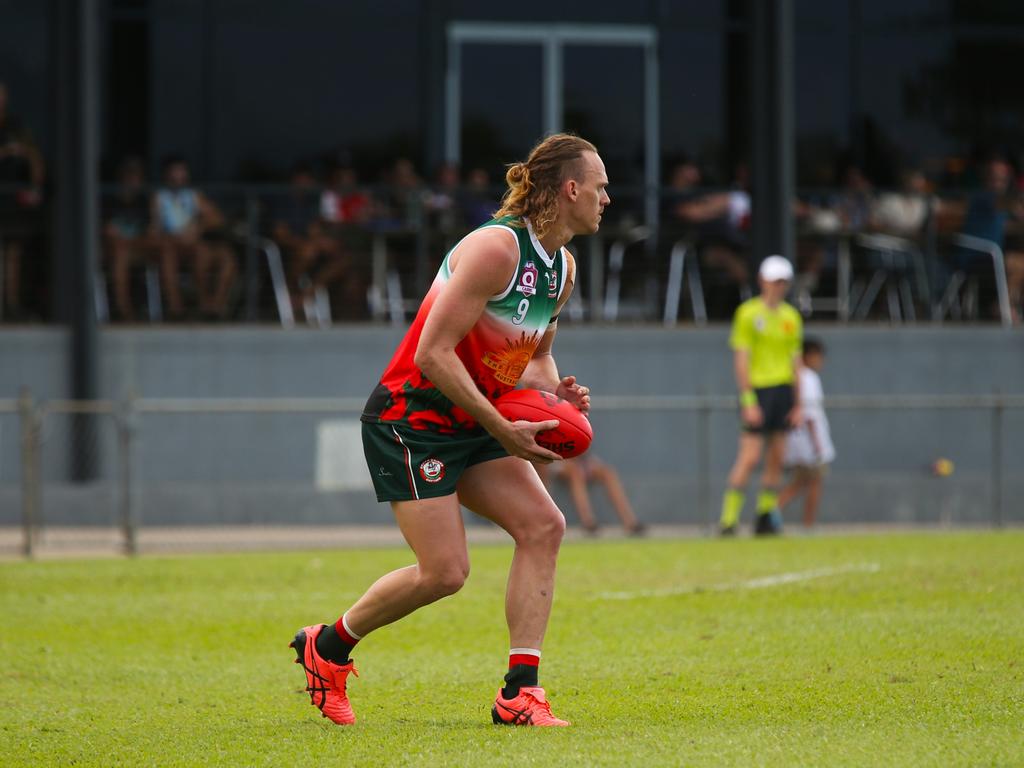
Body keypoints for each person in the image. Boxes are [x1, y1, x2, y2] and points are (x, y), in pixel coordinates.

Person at [290, 133, 609, 728]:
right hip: (413, 420)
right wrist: (503, 427)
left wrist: (553, 395)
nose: (606, 198)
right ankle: (328, 647)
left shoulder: (560, 268)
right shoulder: (495, 250)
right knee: (445, 573)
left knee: (544, 525)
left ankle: (520, 692)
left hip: (476, 416)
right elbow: (435, 354)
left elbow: (535, 358)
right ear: (570, 190)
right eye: (600, 187)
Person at [719, 255, 803, 536]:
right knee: (750, 457)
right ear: (762, 281)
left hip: (783, 391)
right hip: (759, 389)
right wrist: (748, 399)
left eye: (783, 281)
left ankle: (765, 516)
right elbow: (741, 359)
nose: (778, 286)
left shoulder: (791, 317)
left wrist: (799, 403)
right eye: (774, 280)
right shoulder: (748, 313)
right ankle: (729, 519)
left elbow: (796, 363)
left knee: (776, 458)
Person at [151, 155, 237, 320]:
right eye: (174, 173)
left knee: (226, 258)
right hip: (172, 245)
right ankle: (180, 308)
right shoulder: (159, 197)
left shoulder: (193, 195)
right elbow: (156, 228)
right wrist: (176, 237)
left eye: (181, 172)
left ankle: (215, 307)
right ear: (166, 175)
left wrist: (197, 227)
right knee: (189, 254)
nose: (178, 177)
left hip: (195, 244)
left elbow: (217, 218)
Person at [271, 164, 351, 320]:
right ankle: (291, 288)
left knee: (344, 259)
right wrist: (305, 243)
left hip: (314, 251)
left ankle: (307, 294)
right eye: (304, 179)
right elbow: (280, 235)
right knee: (308, 252)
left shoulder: (313, 202)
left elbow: (317, 230)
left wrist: (323, 242)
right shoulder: (282, 203)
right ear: (295, 180)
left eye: (310, 180)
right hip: (289, 253)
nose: (308, 183)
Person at [0, 81, 46, 321]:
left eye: (2, 95)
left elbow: (34, 156)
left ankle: (11, 304)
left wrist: (35, 187)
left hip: (12, 204)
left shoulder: (15, 126)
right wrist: (6, 152)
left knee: (14, 254)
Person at [778, 338, 835, 530]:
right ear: (809, 355)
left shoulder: (793, 376)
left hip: (797, 440)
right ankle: (805, 524)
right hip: (809, 442)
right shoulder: (807, 377)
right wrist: (817, 444)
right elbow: (809, 413)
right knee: (811, 483)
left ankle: (772, 514)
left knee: (802, 482)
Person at [102, 156, 159, 321]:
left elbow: (150, 231)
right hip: (114, 251)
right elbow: (107, 231)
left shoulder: (144, 201)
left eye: (137, 176)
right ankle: (123, 310)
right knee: (120, 253)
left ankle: (174, 311)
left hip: (136, 250)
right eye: (129, 176)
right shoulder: (108, 200)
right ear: (121, 178)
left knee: (160, 248)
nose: (133, 181)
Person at [536, 454, 646, 536]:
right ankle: (588, 522)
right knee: (575, 472)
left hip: (578, 459)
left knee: (608, 472)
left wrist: (585, 460)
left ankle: (630, 522)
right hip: (553, 459)